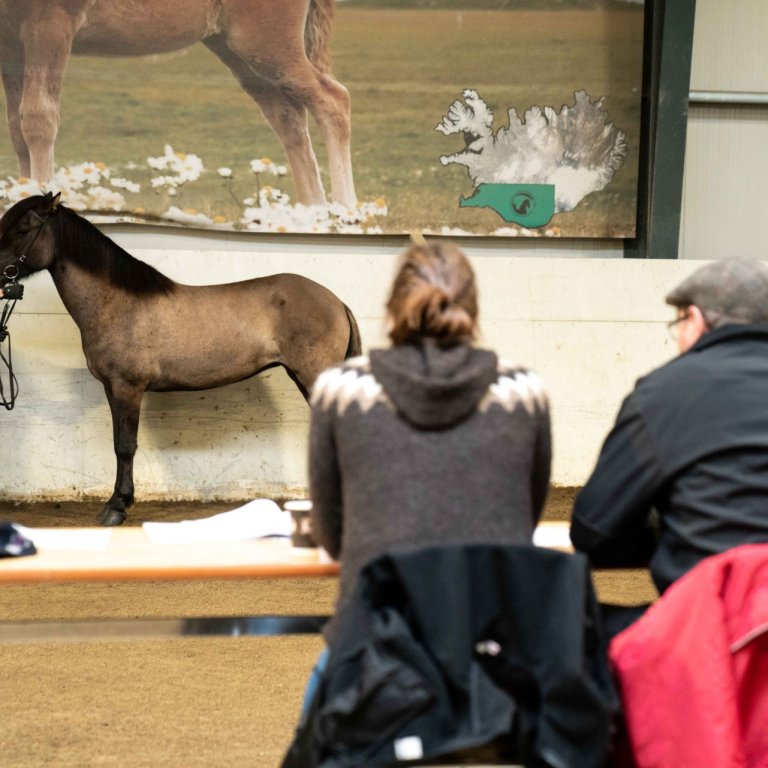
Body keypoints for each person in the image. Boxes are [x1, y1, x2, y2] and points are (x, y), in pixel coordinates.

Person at [303, 240, 551, 699]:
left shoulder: (341, 391)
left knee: (315, 719)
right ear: (472, 311)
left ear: (393, 311)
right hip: (497, 647)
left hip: (377, 645)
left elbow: (334, 535)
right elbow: (526, 515)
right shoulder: (523, 392)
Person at [570, 259, 768, 610]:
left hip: (710, 623)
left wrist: (669, 533)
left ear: (696, 319)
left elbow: (593, 530)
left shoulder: (663, 393)